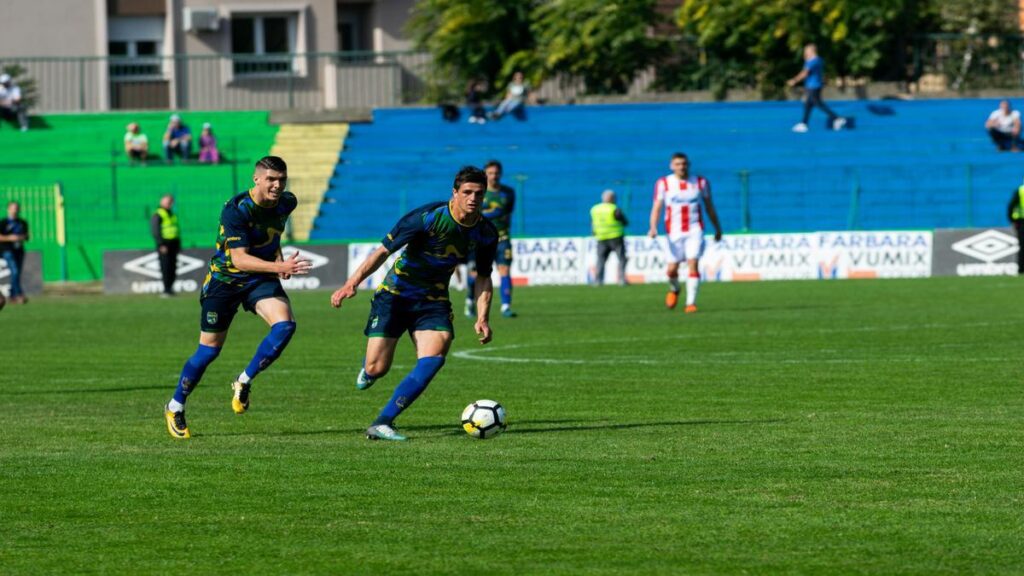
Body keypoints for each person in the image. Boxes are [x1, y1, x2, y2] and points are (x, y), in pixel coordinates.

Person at [330, 166, 498, 442]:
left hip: (433, 301)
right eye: (467, 192)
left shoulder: (486, 232)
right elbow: (383, 251)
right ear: (454, 193)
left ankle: (383, 422)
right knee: (377, 368)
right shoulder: (427, 217)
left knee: (436, 354)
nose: (473, 198)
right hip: (395, 295)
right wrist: (352, 283)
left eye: (478, 193)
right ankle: (369, 369)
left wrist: (482, 317)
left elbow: (483, 277)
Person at [163, 156, 313, 439]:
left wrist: (277, 258)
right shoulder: (236, 210)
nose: (277, 185)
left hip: (258, 280)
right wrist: (280, 267)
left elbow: (273, 235)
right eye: (271, 179)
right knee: (209, 351)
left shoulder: (287, 202)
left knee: (285, 326)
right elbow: (241, 260)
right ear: (256, 179)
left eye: (281, 179)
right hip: (225, 282)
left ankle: (243, 380)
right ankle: (175, 406)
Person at [648, 153, 723, 313]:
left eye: (683, 164)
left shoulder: (700, 182)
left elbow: (709, 206)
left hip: (694, 229)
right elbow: (657, 207)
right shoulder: (664, 183)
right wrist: (653, 227)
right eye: (677, 164)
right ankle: (675, 289)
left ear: (688, 164)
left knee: (693, 263)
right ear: (671, 166)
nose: (681, 167)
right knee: (672, 269)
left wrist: (717, 228)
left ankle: (690, 303)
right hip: (673, 232)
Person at [465, 160, 517, 318]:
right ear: (485, 174)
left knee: (504, 270)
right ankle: (469, 301)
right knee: (475, 273)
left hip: (502, 238)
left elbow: (507, 213)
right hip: (480, 239)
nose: (494, 176)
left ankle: (506, 306)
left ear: (500, 174)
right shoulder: (479, 193)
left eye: (496, 173)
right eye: (490, 173)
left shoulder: (508, 193)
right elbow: (473, 214)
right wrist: (494, 212)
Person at [787, 44, 845, 133]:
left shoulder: (812, 61)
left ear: (811, 51)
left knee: (817, 103)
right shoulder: (818, 60)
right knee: (808, 104)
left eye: (806, 51)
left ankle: (837, 118)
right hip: (815, 85)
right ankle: (804, 124)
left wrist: (794, 80)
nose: (805, 53)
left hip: (813, 86)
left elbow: (805, 73)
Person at [591, 189, 629, 286]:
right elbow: (624, 221)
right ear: (612, 198)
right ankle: (621, 280)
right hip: (615, 237)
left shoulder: (595, 209)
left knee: (601, 260)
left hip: (601, 237)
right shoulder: (614, 209)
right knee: (622, 259)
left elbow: (593, 223)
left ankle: (598, 281)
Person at [151, 194, 180, 297]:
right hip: (164, 245)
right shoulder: (158, 214)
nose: (169, 204)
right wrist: (161, 244)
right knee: (165, 267)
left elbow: (175, 229)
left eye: (171, 202)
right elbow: (155, 231)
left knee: (173, 267)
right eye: (167, 202)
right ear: (161, 202)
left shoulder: (172, 214)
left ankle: (170, 289)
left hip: (173, 244)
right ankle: (166, 289)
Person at [0, 201, 29, 304]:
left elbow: (26, 236)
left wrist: (20, 237)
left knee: (16, 273)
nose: (15, 210)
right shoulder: (3, 223)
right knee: (15, 271)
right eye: (13, 208)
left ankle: (12, 295)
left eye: (17, 208)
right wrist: (10, 238)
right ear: (8, 209)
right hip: (7, 250)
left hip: (19, 250)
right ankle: (18, 294)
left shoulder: (22, 223)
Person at [1007, 182, 1024, 274]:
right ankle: (1021, 269)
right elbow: (1011, 206)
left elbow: (1010, 206)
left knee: (1023, 247)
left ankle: (1021, 270)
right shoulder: (1021, 191)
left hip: (1021, 222)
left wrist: (1012, 220)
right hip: (1022, 222)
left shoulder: (1020, 190)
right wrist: (1013, 220)